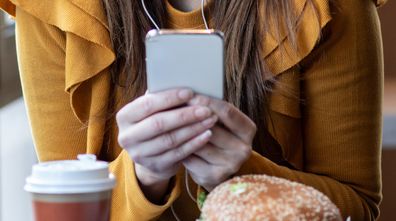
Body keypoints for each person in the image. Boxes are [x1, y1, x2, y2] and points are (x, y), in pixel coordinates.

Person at [0, 0, 386, 220]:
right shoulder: (55, 6)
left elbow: (357, 207)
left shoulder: (327, 5)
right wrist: (142, 176)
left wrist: (244, 172)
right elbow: (61, 207)